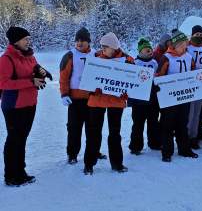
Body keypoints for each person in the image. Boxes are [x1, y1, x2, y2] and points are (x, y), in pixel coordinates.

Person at [0, 27, 48, 186]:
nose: (28, 41)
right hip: (13, 106)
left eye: (28, 38)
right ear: (16, 41)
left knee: (22, 140)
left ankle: (20, 171)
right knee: (14, 140)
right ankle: (10, 176)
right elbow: (3, 83)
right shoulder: (6, 59)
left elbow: (35, 68)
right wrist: (30, 82)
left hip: (30, 103)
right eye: (25, 39)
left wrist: (41, 72)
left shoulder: (30, 56)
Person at [83, 32, 134, 175]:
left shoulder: (127, 60)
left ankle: (117, 163)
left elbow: (134, 82)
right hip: (97, 100)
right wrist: (92, 88)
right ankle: (89, 164)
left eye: (106, 47)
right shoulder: (94, 58)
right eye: (102, 46)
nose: (103, 49)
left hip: (116, 101)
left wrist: (128, 93)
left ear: (114, 47)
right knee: (93, 134)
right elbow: (86, 79)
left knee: (115, 134)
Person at [59, 27, 106, 164]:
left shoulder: (97, 54)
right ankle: (72, 154)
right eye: (77, 40)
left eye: (83, 40)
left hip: (93, 99)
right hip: (75, 100)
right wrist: (64, 94)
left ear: (88, 42)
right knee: (74, 128)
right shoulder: (69, 56)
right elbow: (63, 77)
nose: (79, 43)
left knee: (94, 129)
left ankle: (94, 152)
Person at [156, 30, 198, 162]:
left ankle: (184, 149)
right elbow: (159, 76)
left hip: (185, 96)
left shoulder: (189, 57)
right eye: (180, 44)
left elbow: (193, 72)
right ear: (174, 45)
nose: (183, 46)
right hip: (169, 97)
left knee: (182, 123)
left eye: (184, 43)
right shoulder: (166, 57)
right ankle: (167, 152)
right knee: (167, 124)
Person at [128, 38, 161, 155]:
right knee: (138, 124)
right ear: (140, 51)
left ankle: (154, 143)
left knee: (153, 122)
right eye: (147, 50)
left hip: (153, 99)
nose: (149, 51)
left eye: (150, 49)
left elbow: (158, 77)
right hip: (139, 101)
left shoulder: (155, 63)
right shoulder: (135, 63)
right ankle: (135, 146)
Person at [186, 25, 202, 150]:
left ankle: (194, 136)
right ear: (192, 35)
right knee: (189, 112)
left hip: (200, 81)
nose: (199, 37)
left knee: (197, 111)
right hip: (189, 81)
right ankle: (186, 137)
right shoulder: (186, 46)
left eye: (201, 35)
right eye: (197, 35)